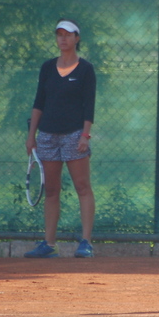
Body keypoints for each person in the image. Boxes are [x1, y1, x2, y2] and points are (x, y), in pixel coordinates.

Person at [24, 19, 96, 259]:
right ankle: (49, 244)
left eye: (68, 34)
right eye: (59, 34)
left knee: (82, 187)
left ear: (77, 38)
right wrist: (31, 136)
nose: (63, 38)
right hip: (47, 136)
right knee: (52, 190)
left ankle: (86, 242)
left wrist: (85, 135)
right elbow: (39, 103)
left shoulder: (86, 69)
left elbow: (89, 106)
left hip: (75, 135)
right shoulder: (47, 67)